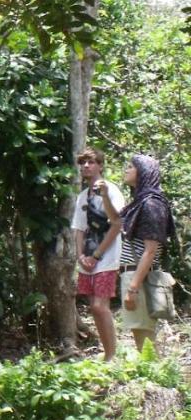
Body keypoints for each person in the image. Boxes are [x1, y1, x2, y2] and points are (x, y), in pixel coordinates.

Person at [102, 154, 175, 355]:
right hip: (133, 274)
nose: (126, 170)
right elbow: (117, 222)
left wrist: (133, 288)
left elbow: (150, 250)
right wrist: (105, 196)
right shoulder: (140, 202)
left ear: (143, 173)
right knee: (139, 330)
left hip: (139, 277)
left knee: (144, 333)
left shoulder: (151, 205)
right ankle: (152, 373)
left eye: (130, 167)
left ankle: (154, 377)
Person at [71, 148, 126, 360]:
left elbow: (117, 223)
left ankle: (112, 355)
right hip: (87, 258)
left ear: (101, 165)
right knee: (94, 308)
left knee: (99, 306)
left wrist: (96, 256)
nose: (86, 166)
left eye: (91, 162)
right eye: (83, 162)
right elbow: (79, 228)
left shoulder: (111, 190)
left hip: (107, 258)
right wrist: (80, 256)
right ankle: (107, 354)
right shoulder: (82, 196)